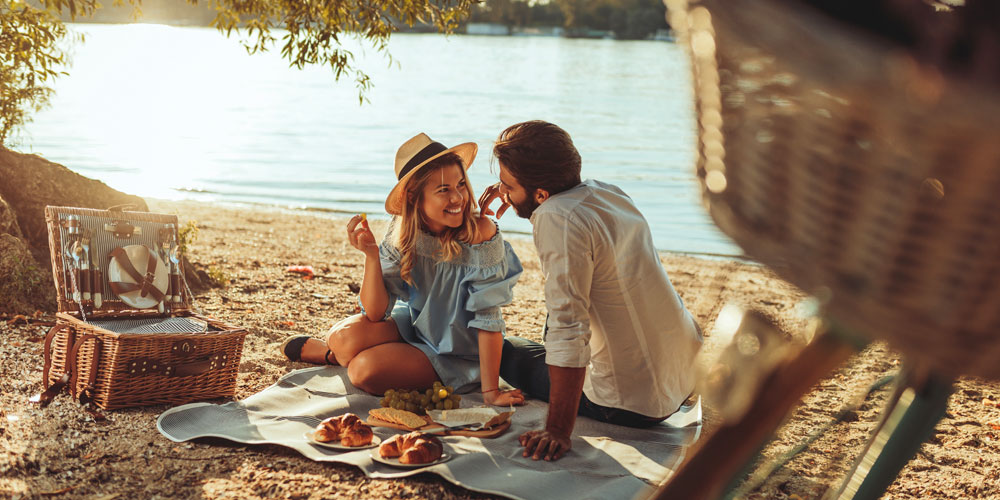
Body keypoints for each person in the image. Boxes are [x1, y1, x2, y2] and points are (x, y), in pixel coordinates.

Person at [478, 120, 703, 460]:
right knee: (555, 320)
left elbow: (569, 328)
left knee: (505, 352)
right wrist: (515, 189)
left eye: (508, 186)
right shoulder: (606, 192)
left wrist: (557, 429)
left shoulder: (556, 218)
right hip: (684, 373)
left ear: (541, 194)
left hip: (631, 403)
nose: (502, 193)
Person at [282, 133, 525, 407]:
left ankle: (338, 357)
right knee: (340, 338)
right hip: (416, 326)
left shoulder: (481, 233)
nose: (458, 197)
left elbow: (489, 318)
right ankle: (333, 354)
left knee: (363, 371)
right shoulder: (403, 231)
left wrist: (491, 391)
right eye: (443, 190)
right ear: (413, 197)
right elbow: (375, 313)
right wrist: (371, 256)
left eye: (461, 185)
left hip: (459, 353)